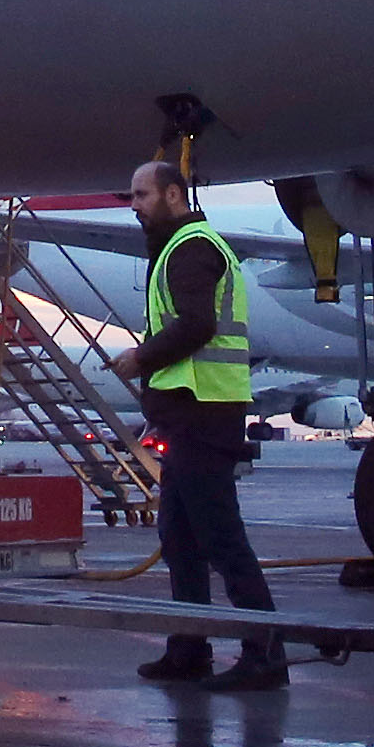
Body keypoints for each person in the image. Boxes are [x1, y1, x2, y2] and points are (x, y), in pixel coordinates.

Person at [118, 157, 285, 689]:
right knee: (181, 535)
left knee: (219, 537)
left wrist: (140, 359)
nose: (134, 207)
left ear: (172, 195)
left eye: (142, 196)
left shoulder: (190, 249)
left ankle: (265, 652)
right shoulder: (181, 247)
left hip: (202, 410)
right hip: (190, 409)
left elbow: (197, 325)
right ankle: (189, 646)